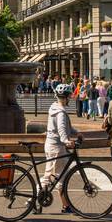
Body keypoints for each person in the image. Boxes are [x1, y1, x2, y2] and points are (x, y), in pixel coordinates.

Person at [44, 83, 80, 212]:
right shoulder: (60, 112)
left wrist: (76, 133)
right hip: (56, 147)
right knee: (50, 177)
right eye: (69, 96)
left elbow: (66, 127)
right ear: (65, 97)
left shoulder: (54, 107)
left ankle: (66, 205)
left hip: (52, 145)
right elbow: (61, 129)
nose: (70, 98)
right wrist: (67, 141)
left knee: (59, 176)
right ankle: (31, 201)